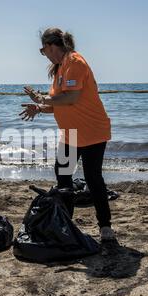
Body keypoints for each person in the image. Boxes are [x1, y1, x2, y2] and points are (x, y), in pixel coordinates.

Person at [20, 28, 115, 242]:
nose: (43, 54)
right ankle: (65, 221)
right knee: (63, 176)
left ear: (51, 46)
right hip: (70, 134)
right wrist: (39, 107)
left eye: (42, 50)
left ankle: (105, 226)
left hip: (92, 133)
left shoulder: (75, 63)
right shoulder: (59, 68)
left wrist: (42, 99)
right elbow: (58, 106)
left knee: (93, 179)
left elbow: (71, 98)